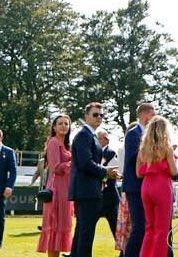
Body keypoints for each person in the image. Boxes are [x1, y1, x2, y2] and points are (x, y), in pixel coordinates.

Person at [69, 102, 119, 257]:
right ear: (86, 117)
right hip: (87, 191)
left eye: (101, 114)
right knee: (86, 234)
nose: (99, 117)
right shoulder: (84, 135)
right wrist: (106, 172)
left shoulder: (91, 136)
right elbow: (86, 163)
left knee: (82, 233)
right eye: (95, 114)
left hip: (89, 190)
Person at [137, 116, 178, 257]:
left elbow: (138, 173)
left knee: (150, 228)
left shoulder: (142, 149)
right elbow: (174, 172)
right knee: (162, 229)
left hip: (146, 186)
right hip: (161, 186)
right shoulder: (166, 148)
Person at [37, 115, 74, 256]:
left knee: (61, 226)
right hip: (57, 188)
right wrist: (71, 164)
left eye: (66, 123)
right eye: (60, 124)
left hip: (65, 186)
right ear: (54, 126)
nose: (64, 126)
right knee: (55, 226)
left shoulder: (65, 144)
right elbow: (55, 167)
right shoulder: (53, 142)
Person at [124, 103, 156, 257]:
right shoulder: (133, 134)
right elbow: (131, 159)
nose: (154, 118)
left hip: (148, 186)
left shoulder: (152, 136)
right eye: (152, 115)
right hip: (135, 188)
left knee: (147, 227)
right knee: (139, 227)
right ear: (144, 116)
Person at [98, 130, 120, 243]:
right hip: (98, 195)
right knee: (85, 224)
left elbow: (112, 173)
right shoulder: (96, 153)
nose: (97, 140)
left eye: (100, 138)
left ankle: (124, 250)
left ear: (106, 140)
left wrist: (103, 183)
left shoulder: (111, 153)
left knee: (115, 226)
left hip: (109, 196)